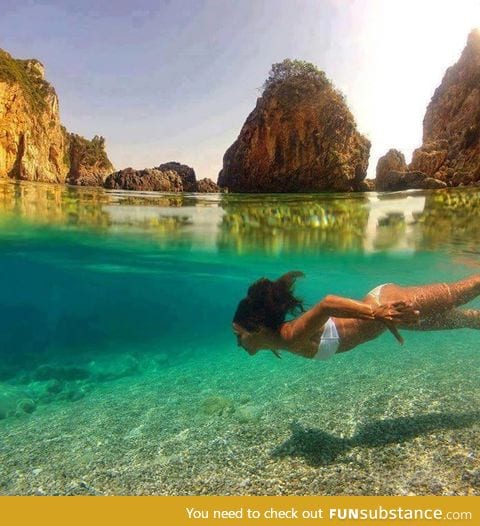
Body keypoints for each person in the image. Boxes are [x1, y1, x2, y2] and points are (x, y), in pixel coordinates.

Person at [232, 271, 480, 360]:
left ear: (257, 329)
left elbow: (328, 304)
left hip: (384, 304)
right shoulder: (273, 340)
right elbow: (262, 339)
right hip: (384, 318)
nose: (238, 343)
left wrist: (378, 312)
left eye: (239, 336)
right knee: (463, 319)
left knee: (459, 292)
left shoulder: (289, 335)